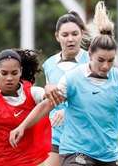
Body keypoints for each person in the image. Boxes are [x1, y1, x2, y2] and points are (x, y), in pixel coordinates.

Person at [9, 1, 118, 166]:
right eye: (101, 60)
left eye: (110, 61)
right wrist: (22, 126)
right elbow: (46, 106)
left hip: (107, 153)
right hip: (75, 149)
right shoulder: (73, 77)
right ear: (90, 56)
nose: (105, 66)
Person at [42, 11, 90, 166]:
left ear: (82, 34)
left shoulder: (92, 61)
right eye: (65, 34)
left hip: (85, 134)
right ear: (57, 36)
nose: (70, 39)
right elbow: (50, 100)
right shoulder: (49, 64)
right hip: (57, 134)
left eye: (75, 34)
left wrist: (68, 111)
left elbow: (97, 97)